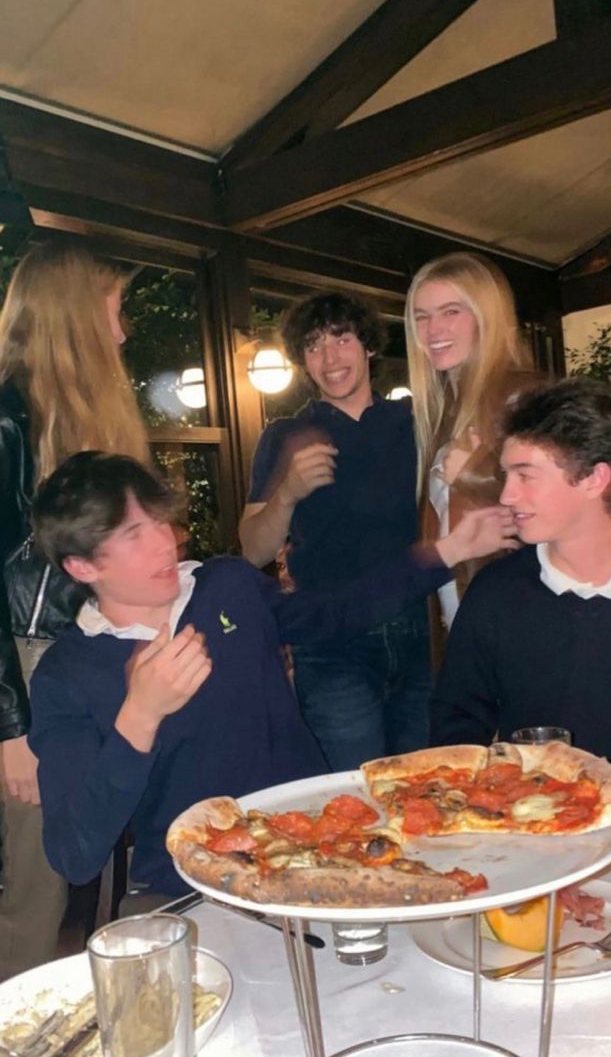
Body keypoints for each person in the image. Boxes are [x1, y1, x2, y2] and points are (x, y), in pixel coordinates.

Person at [29, 451, 516, 901]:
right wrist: (138, 718)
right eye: (133, 535)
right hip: (198, 886)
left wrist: (448, 551)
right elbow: (74, 854)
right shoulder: (67, 675)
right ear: (82, 565)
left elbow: (335, 611)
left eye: (158, 521)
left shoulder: (225, 586)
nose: (162, 543)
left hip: (323, 849)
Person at [0, 238, 150, 978]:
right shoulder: (6, 419)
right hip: (27, 676)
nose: (123, 333)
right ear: (76, 317)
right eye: (115, 311)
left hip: (74, 659)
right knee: (37, 887)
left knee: (80, 867)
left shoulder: (57, 417)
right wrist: (11, 729)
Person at [430, 378, 611, 777]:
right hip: (539, 828)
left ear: (594, 479)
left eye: (526, 476)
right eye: (507, 475)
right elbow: (456, 729)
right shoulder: (496, 595)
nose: (507, 495)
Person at [240, 291, 432, 771]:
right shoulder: (285, 434)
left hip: (421, 632)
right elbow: (251, 549)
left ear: (368, 345)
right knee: (351, 799)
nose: (330, 358)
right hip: (331, 641)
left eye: (342, 339)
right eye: (314, 346)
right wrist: (287, 491)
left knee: (431, 791)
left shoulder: (416, 422)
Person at [405, 252, 537, 642]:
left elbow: (574, 506)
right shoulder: (444, 415)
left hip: (518, 625)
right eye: (421, 317)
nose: (433, 330)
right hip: (464, 625)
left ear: (485, 316)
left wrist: (478, 473)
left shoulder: (523, 397)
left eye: (451, 312)